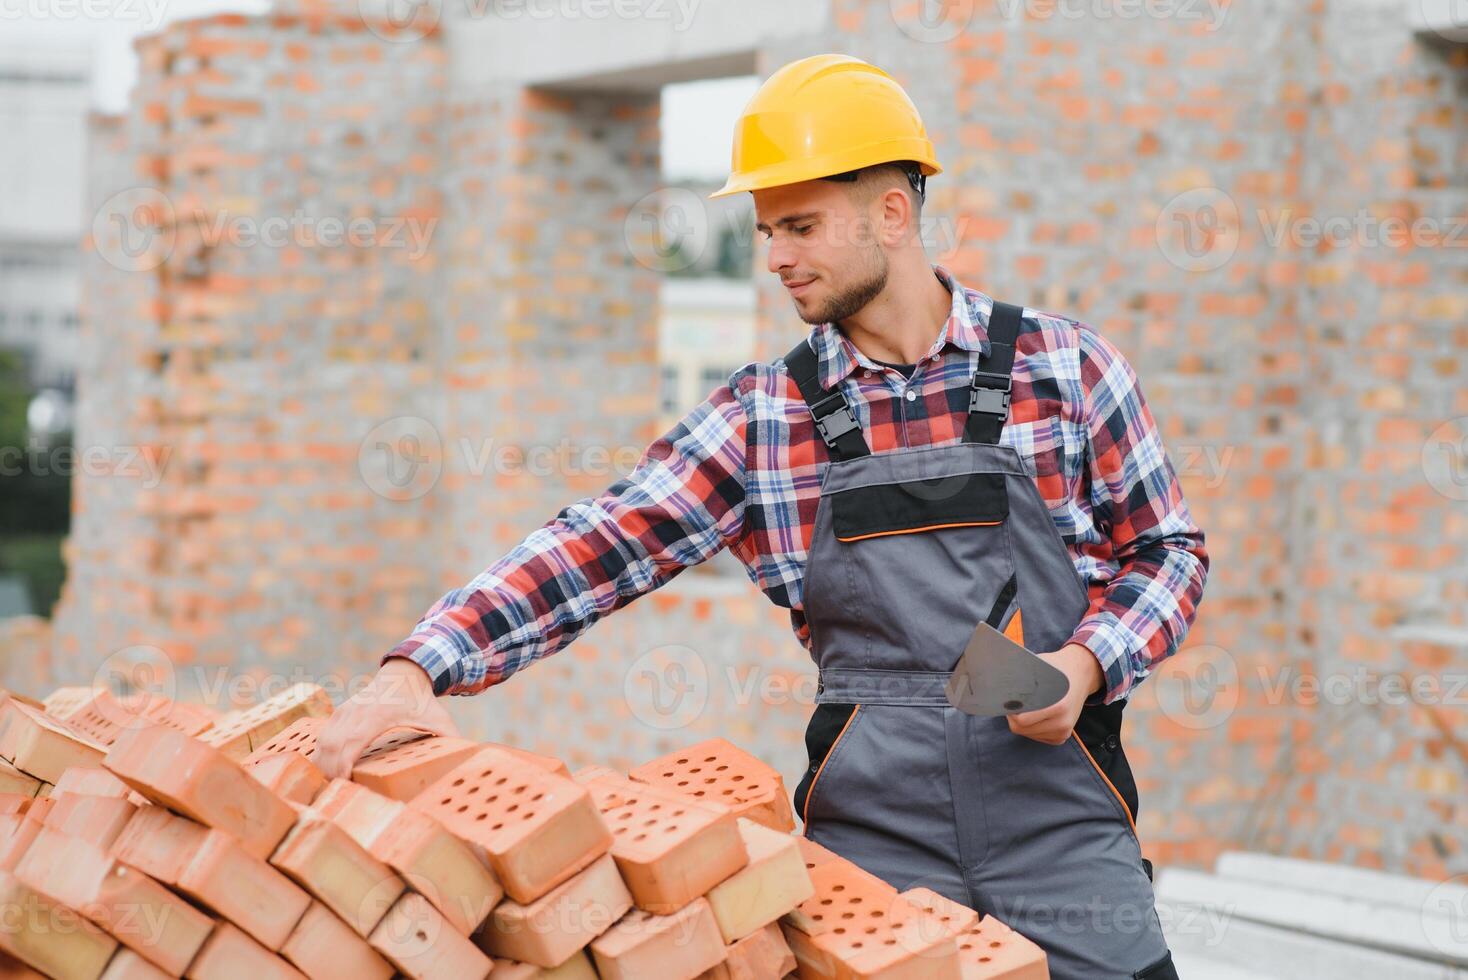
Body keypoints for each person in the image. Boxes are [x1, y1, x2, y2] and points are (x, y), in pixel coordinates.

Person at [317, 52, 1206, 980]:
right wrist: (423, 665)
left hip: (1060, 824)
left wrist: (1083, 664)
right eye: (766, 229)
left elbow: (1168, 552)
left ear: (892, 213)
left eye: (802, 225)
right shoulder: (765, 418)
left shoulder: (1063, 368)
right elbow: (601, 541)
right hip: (876, 840)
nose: (776, 256)